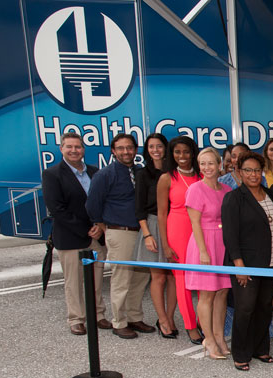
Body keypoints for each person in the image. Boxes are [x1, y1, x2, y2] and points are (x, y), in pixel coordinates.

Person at [86, 133, 154, 339]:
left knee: (140, 278)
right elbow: (92, 205)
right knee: (121, 279)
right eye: (121, 148)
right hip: (120, 232)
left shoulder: (140, 172)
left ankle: (135, 317)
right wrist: (104, 228)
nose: (126, 152)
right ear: (113, 151)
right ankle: (119, 321)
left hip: (142, 232)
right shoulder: (104, 175)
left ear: (135, 150)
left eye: (130, 148)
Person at [42, 132, 108, 335]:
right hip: (71, 238)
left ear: (83, 149)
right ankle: (76, 319)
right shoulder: (52, 174)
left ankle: (98, 315)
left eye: (77, 147)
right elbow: (57, 209)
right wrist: (86, 230)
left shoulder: (95, 172)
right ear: (61, 149)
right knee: (74, 281)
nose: (73, 150)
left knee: (97, 278)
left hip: (97, 237)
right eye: (69, 147)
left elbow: (104, 202)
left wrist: (101, 226)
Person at [222, 153, 273, 371]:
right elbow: (230, 235)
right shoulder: (234, 198)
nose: (253, 174)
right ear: (239, 172)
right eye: (248, 170)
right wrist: (239, 264)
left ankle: (260, 348)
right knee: (245, 308)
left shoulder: (271, 195)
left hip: (272, 263)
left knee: (264, 308)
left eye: (257, 170)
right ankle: (241, 352)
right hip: (245, 264)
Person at [184, 147, 232, 359]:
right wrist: (203, 252)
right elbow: (194, 224)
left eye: (210, 163)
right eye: (202, 163)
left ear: (219, 164)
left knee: (222, 293)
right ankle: (209, 340)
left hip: (222, 244)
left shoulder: (226, 191)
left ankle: (220, 337)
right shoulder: (195, 189)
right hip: (204, 244)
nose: (207, 167)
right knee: (207, 295)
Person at [157, 136, 203, 344]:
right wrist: (165, 244)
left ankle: (204, 319)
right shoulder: (167, 178)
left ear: (193, 153)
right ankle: (190, 325)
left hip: (201, 230)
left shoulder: (203, 176)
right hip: (178, 231)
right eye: (177, 152)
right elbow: (161, 213)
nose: (182, 156)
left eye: (186, 152)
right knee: (182, 280)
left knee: (204, 277)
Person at [134, 132, 177, 338]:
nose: (155, 150)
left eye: (159, 146)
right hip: (152, 224)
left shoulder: (174, 172)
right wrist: (147, 235)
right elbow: (139, 208)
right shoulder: (143, 174)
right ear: (146, 150)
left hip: (174, 224)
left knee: (174, 278)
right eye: (151, 147)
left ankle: (170, 317)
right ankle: (163, 320)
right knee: (158, 277)